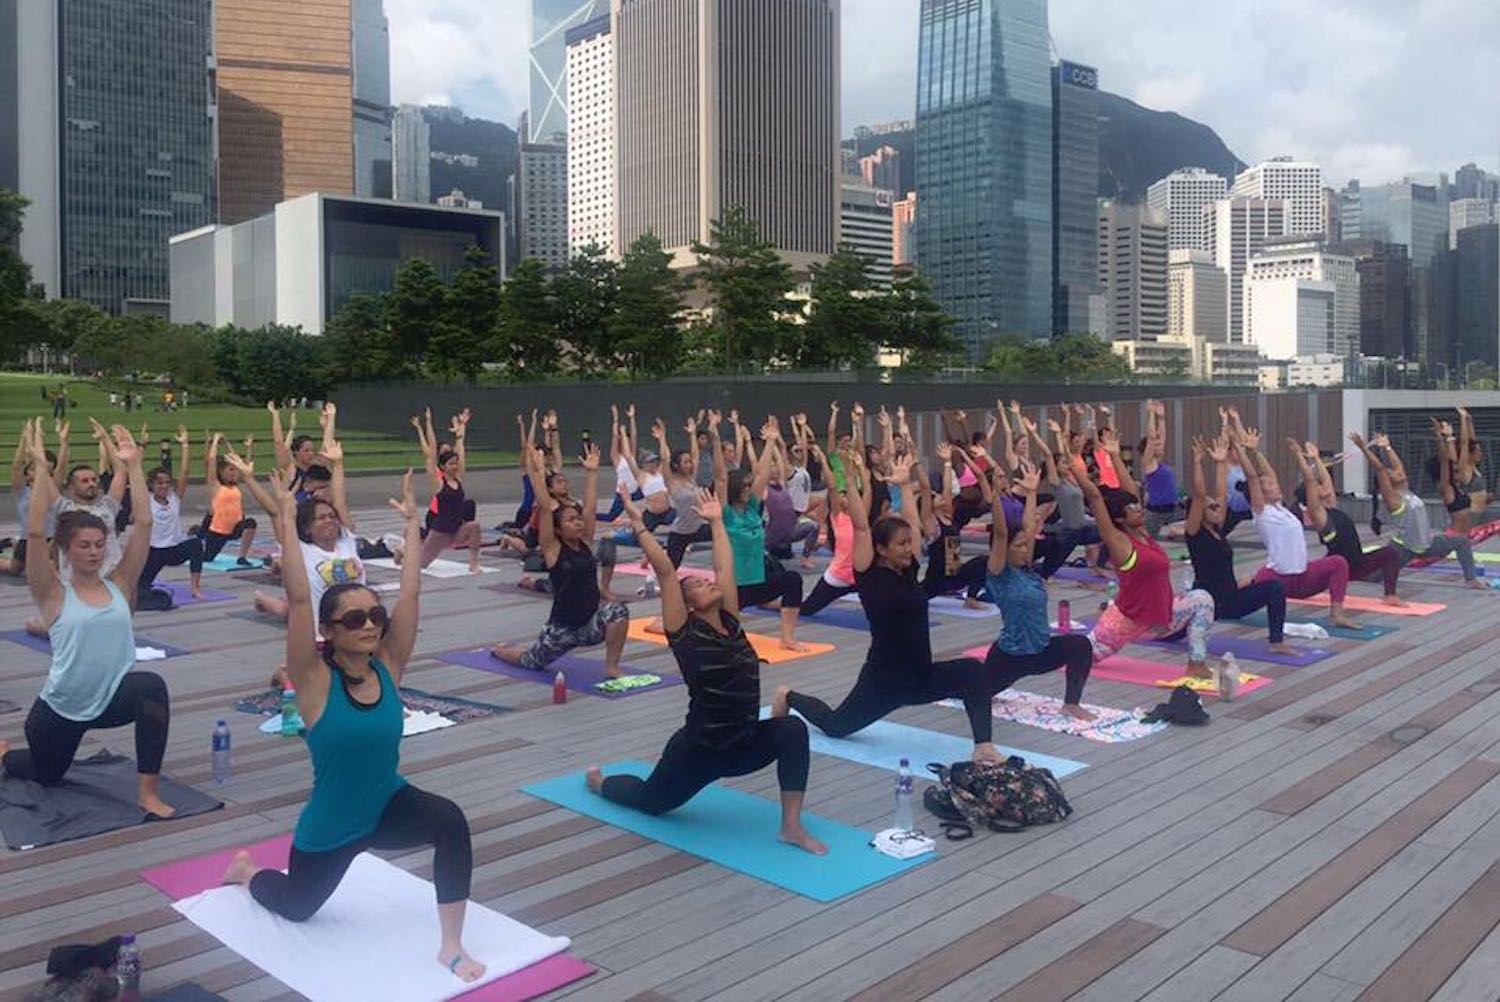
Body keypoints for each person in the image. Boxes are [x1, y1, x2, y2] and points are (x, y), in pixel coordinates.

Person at [222, 471, 486, 984]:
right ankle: (248, 872)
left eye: (373, 617)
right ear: (328, 631)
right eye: (352, 620)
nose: (368, 625)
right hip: (331, 828)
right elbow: (299, 601)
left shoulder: (389, 666)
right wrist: (283, 518)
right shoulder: (315, 682)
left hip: (387, 805)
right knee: (299, 907)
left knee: (450, 821)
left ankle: (451, 945)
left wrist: (414, 525)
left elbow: (410, 595)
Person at [588, 487, 826, 855]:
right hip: (699, 751)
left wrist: (717, 522)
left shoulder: (731, 620)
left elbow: (724, 567)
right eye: (696, 586)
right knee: (649, 802)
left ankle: (791, 827)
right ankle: (601, 783)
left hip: (743, 742)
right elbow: (667, 572)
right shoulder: (684, 634)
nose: (707, 582)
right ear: (687, 606)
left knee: (792, 731)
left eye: (704, 580)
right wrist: (639, 526)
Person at [776, 453, 1005, 764]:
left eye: (909, 543)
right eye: (901, 544)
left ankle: (984, 746)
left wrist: (904, 486)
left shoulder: (907, 569)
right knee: (835, 726)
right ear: (881, 549)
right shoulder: (869, 576)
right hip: (883, 682)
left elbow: (911, 523)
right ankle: (788, 696)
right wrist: (855, 482)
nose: (909, 548)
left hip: (921, 676)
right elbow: (860, 526)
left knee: (973, 672)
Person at [0, 422, 175, 818]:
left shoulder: (120, 584)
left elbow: (143, 525)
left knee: (151, 686)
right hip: (59, 710)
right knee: (45, 774)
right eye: (84, 546)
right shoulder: (53, 593)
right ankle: (6, 754)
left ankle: (148, 792)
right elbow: (34, 530)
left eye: (99, 545)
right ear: (66, 549)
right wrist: (42, 470)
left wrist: (133, 467)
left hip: (109, 699)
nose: (94, 552)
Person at [1076, 431, 1219, 679]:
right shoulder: (1119, 540)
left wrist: (1114, 455)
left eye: (1137, 505)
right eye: (1131, 509)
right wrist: (1074, 466)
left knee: (1203, 600)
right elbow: (1095, 497)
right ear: (1120, 517)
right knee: (1080, 657)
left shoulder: (1142, 531)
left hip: (1161, 617)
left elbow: (1130, 489)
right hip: (1126, 620)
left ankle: (1196, 663)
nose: (1138, 509)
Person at [489, 443, 630, 679]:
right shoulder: (553, 549)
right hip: (561, 630)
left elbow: (592, 507)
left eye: (578, 519)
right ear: (557, 529)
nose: (577, 522)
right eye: (570, 520)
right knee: (530, 661)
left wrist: (592, 473)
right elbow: (545, 508)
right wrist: (536, 471)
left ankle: (612, 667)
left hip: (588, 627)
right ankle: (500, 650)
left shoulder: (585, 542)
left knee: (618, 611)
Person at [982, 459, 1097, 719]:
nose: (1025, 550)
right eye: (1019, 547)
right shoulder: (999, 573)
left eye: (1026, 546)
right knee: (976, 694)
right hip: (1010, 657)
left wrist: (1032, 492)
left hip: (1041, 652)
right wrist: (995, 496)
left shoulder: (1028, 570)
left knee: (1080, 645)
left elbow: (1029, 530)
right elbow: (1001, 534)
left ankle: (1071, 703)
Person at [1227, 412, 1357, 629]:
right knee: (1237, 599)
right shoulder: (1262, 513)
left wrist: (1256, 451)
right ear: (1260, 493)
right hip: (1277, 579)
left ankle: (1337, 614)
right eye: (1270, 486)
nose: (1276, 486)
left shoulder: (1281, 509)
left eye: (1274, 484)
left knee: (1339, 563)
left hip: (1303, 578)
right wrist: (1239, 447)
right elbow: (1252, 476)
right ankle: (1222, 597)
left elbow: (1269, 473)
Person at [1184, 436, 1291, 650]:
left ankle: (1276, 643)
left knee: (1275, 588)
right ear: (1199, 514)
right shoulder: (1194, 534)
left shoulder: (1218, 530)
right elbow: (1199, 495)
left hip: (1229, 600)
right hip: (1207, 603)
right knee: (1165, 632)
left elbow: (1222, 494)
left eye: (1216, 506)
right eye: (1211, 508)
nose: (1218, 509)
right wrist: (1197, 463)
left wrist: (1221, 463)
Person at [712, 416, 807, 651]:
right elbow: (721, 477)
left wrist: (771, 442)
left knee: (793, 581)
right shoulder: (726, 514)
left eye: (748, 485)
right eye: (743, 486)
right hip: (735, 586)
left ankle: (787, 638)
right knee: (719, 631)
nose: (748, 488)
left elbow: (762, 475)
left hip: (758, 579)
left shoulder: (753, 508)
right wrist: (715, 437)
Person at [1350, 431, 1483, 588]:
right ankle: (1349, 573)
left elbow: (1398, 465)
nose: (1399, 472)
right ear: (1387, 482)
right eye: (1393, 473)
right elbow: (1380, 469)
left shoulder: (1405, 489)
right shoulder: (1392, 498)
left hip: (1427, 544)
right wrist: (1364, 448)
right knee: (1374, 577)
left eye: (1399, 472)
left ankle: (1471, 579)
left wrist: (1387, 447)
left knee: (1461, 541)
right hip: (1403, 548)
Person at [1291, 438, 1407, 607]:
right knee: (1300, 590)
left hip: (1357, 564)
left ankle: (1390, 596)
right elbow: (1309, 480)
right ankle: (1287, 587)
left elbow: (1327, 481)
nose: (1323, 487)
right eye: (1317, 486)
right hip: (1336, 568)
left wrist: (1316, 458)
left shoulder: (1330, 505)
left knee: (1390, 553)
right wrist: (1298, 456)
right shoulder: (1318, 514)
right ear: (1310, 496)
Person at [407, 407, 483, 573]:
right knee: (419, 565)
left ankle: (473, 564)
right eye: (451, 464)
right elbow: (430, 453)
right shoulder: (438, 482)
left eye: (456, 463)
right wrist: (426, 424)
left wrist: (461, 430)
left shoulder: (458, 478)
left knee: (475, 526)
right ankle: (401, 552)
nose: (455, 466)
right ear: (442, 466)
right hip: (440, 530)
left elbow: (461, 453)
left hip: (456, 528)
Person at [918, 442, 989, 608]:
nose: (941, 496)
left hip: (954, 576)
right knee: (910, 601)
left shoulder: (949, 517)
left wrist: (947, 462)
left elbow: (948, 490)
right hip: (936, 581)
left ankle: (971, 599)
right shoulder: (931, 524)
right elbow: (925, 490)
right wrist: (917, 465)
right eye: (936, 497)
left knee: (983, 561)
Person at [138, 426, 206, 598]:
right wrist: (142, 446)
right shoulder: (145, 500)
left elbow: (185, 472)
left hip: (174, 550)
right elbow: (135, 473)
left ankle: (195, 587)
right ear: (151, 485)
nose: (164, 486)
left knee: (196, 544)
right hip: (153, 552)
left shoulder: (174, 498)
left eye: (167, 482)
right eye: (159, 483)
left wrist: (185, 445)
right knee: (140, 589)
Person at [799, 443, 863, 617]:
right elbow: (833, 486)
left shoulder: (861, 518)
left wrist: (857, 467)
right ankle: (772, 604)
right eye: (841, 496)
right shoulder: (838, 517)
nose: (844, 497)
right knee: (805, 610)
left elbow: (867, 488)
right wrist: (823, 461)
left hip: (862, 577)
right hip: (838, 577)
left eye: (846, 494)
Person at [201, 433, 260, 566]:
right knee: (207, 558)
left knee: (251, 523)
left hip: (236, 528)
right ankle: (198, 532)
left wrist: (248, 448)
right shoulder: (215, 486)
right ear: (221, 472)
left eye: (234, 470)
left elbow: (243, 465)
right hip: (218, 531)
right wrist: (215, 441)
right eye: (230, 470)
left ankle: (242, 557)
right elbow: (211, 460)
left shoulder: (235, 486)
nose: (233, 473)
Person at [1139, 400, 1179, 538]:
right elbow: (1152, 437)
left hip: (1172, 510)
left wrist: (1161, 418)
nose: (1160, 446)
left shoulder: (1159, 462)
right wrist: (1151, 414)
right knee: (1148, 541)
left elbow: (1162, 437)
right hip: (1156, 513)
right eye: (1156, 446)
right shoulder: (1148, 463)